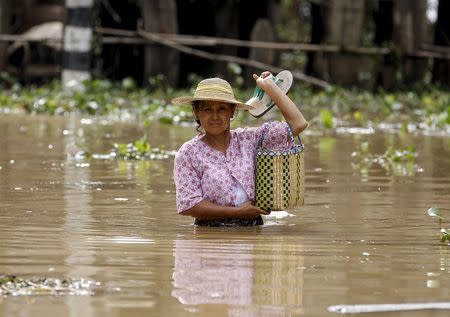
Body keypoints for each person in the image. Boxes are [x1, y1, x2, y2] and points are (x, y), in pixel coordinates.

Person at [172, 71, 308, 226]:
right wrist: (238, 213)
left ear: (232, 111)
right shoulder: (188, 153)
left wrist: (270, 87)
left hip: (253, 229)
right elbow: (188, 205)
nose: (215, 116)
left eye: (222, 109)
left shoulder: (250, 139)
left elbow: (298, 123)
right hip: (210, 235)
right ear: (197, 113)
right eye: (207, 109)